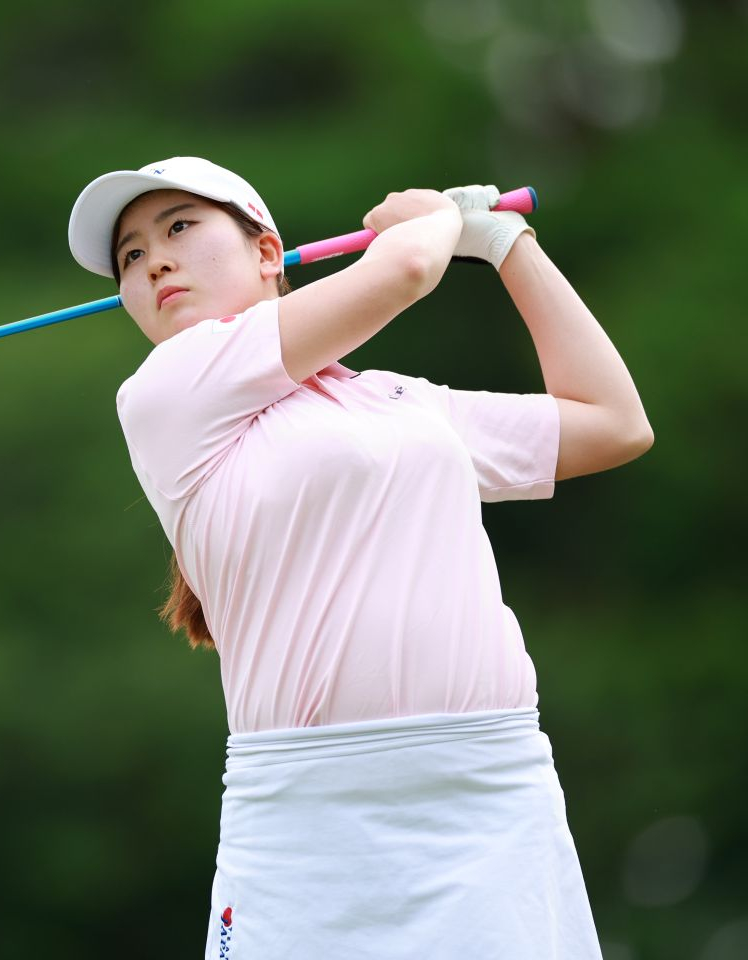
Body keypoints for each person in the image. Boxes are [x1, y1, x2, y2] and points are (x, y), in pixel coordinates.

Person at [67, 157, 652, 959]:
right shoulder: (167, 388)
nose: (155, 262)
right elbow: (406, 268)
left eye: (179, 228)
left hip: (492, 790)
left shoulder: (397, 403)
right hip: (314, 821)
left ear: (267, 252)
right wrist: (438, 221)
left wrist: (507, 244)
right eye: (132, 256)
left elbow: (614, 423)